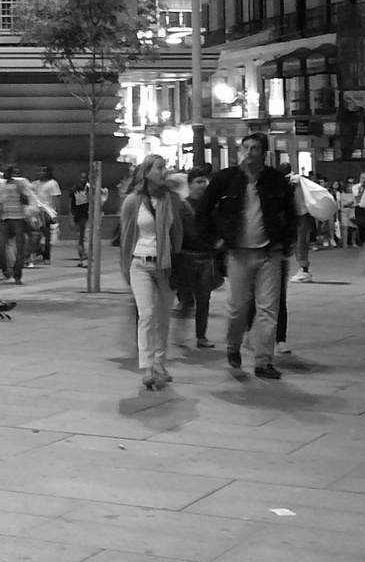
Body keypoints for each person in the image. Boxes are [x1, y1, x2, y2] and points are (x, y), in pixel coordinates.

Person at [204, 131, 296, 379]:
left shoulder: (276, 181)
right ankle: (233, 347)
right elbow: (204, 211)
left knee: (268, 309)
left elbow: (291, 215)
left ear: (264, 153)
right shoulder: (226, 179)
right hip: (239, 253)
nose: (249, 152)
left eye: (255, 148)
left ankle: (263, 361)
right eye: (245, 147)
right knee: (238, 308)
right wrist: (216, 240)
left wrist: (285, 243)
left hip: (269, 252)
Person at [120, 155, 183, 389]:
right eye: (159, 168)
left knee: (164, 317)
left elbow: (179, 231)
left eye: (164, 167)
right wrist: (125, 265)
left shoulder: (172, 200)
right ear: (146, 173)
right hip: (140, 263)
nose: (163, 172)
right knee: (146, 314)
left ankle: (159, 362)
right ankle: (147, 366)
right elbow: (126, 235)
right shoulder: (132, 202)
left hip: (166, 265)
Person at [174, 166, 219, 349]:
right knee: (186, 299)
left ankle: (201, 336)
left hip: (205, 257)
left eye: (204, 181)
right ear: (190, 184)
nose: (202, 185)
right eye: (198, 182)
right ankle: (180, 331)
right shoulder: (182, 206)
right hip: (186, 257)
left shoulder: (210, 206)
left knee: (204, 299)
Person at [0, 166, 34, 283]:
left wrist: (21, 189)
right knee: (1, 245)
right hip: (5, 218)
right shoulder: (2, 185)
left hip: (18, 218)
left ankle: (17, 274)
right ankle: (6, 270)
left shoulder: (21, 184)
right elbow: (1, 202)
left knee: (19, 247)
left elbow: (28, 198)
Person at [33, 167, 61, 264]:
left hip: (47, 211)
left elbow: (55, 198)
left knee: (47, 235)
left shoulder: (53, 183)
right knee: (35, 234)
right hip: (36, 210)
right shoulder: (35, 183)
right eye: (40, 170)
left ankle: (46, 255)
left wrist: (55, 212)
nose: (41, 173)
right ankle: (38, 253)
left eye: (44, 171)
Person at [72, 173, 92, 266]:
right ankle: (82, 257)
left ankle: (85, 258)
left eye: (85, 178)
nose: (83, 179)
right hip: (78, 216)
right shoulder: (74, 189)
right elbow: (70, 205)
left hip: (87, 215)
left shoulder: (89, 188)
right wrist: (71, 218)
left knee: (86, 237)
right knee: (79, 237)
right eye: (81, 177)